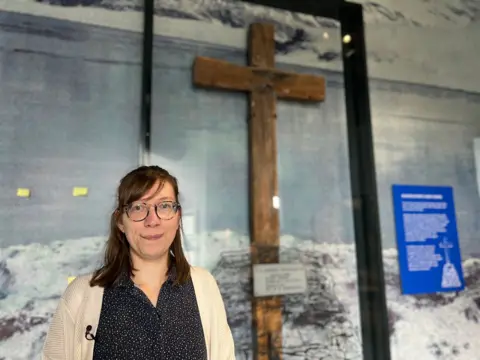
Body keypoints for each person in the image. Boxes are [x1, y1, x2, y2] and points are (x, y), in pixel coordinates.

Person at [42, 165, 236, 360]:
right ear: (120, 222)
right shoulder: (81, 295)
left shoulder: (204, 286)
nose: (153, 220)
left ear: (178, 217)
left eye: (165, 206)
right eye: (138, 208)